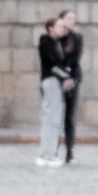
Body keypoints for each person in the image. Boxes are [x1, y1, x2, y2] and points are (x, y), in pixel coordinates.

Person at [36, 11, 81, 167]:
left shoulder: (56, 42)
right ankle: (47, 153)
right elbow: (52, 65)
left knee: (54, 118)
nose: (63, 29)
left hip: (56, 81)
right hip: (51, 81)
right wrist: (66, 77)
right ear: (51, 28)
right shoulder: (46, 41)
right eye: (60, 26)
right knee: (52, 118)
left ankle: (47, 152)